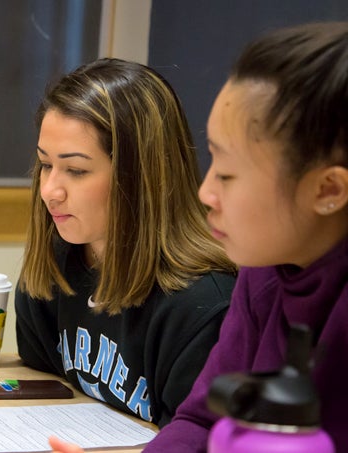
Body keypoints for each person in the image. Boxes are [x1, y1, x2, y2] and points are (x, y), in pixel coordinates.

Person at [141, 22, 348, 452]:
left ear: (327, 190)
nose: (205, 193)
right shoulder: (265, 269)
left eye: (229, 173)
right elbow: (201, 418)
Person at [15, 58, 237, 439]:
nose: (50, 190)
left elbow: (198, 442)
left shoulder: (202, 305)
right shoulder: (58, 261)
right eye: (44, 165)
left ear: (140, 178)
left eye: (77, 170)